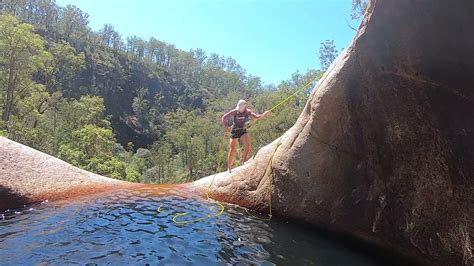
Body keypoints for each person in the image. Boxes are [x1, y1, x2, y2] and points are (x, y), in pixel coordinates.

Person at [221, 99, 270, 172]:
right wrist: (226, 126)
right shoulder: (234, 111)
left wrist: (263, 115)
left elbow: (257, 117)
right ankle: (229, 167)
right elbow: (224, 117)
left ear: (244, 107)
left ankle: (244, 161)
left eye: (241, 108)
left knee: (248, 144)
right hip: (235, 130)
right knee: (232, 148)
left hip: (242, 129)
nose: (239, 110)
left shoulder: (248, 112)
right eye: (238, 108)